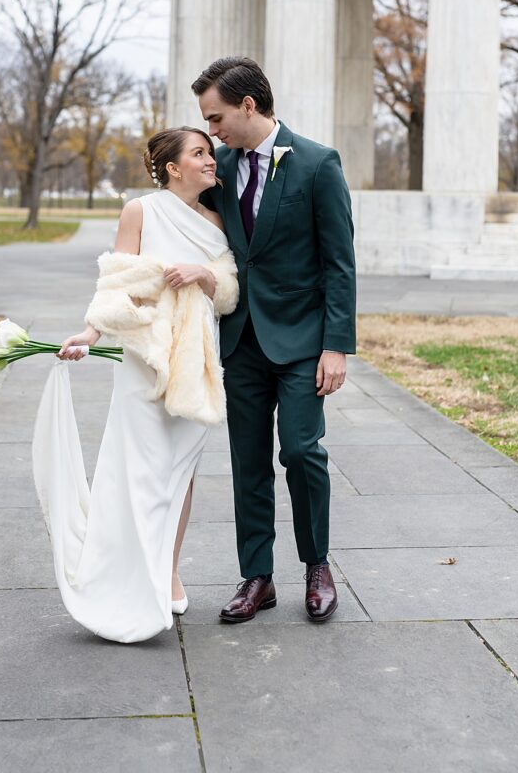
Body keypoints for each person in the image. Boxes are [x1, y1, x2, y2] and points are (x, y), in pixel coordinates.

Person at [32, 127, 239, 643]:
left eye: (209, 153)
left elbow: (230, 291)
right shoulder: (140, 212)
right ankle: (127, 574)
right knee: (141, 467)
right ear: (173, 167)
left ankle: (166, 569)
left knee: (181, 471)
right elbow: (117, 283)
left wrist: (204, 276)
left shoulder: (216, 219)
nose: (210, 160)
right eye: (199, 153)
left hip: (197, 359)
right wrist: (88, 332)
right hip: (146, 358)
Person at [194, 57, 356, 624]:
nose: (211, 132)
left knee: (303, 451)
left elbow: (340, 264)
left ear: (247, 105)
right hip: (240, 338)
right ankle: (257, 576)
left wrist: (336, 345)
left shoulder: (316, 163)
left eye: (216, 118)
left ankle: (316, 565)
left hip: (303, 341)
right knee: (247, 460)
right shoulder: (216, 166)